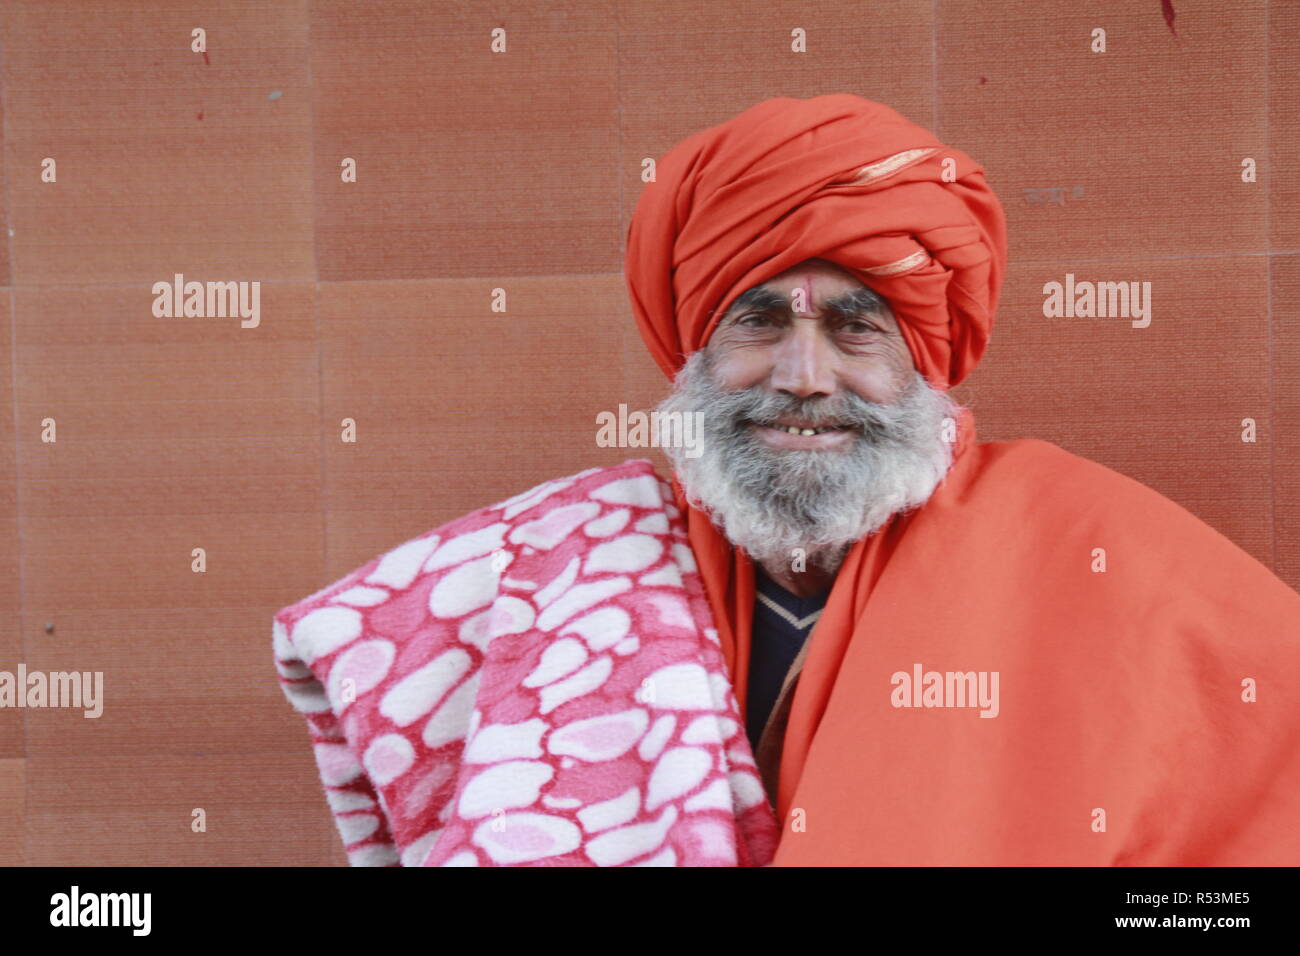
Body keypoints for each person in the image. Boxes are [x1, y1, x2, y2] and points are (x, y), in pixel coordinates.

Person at [274, 94, 1300, 866]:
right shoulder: (553, 571)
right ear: (690, 349)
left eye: (856, 326)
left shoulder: (1102, 554)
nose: (804, 378)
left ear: (926, 361)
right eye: (757, 321)